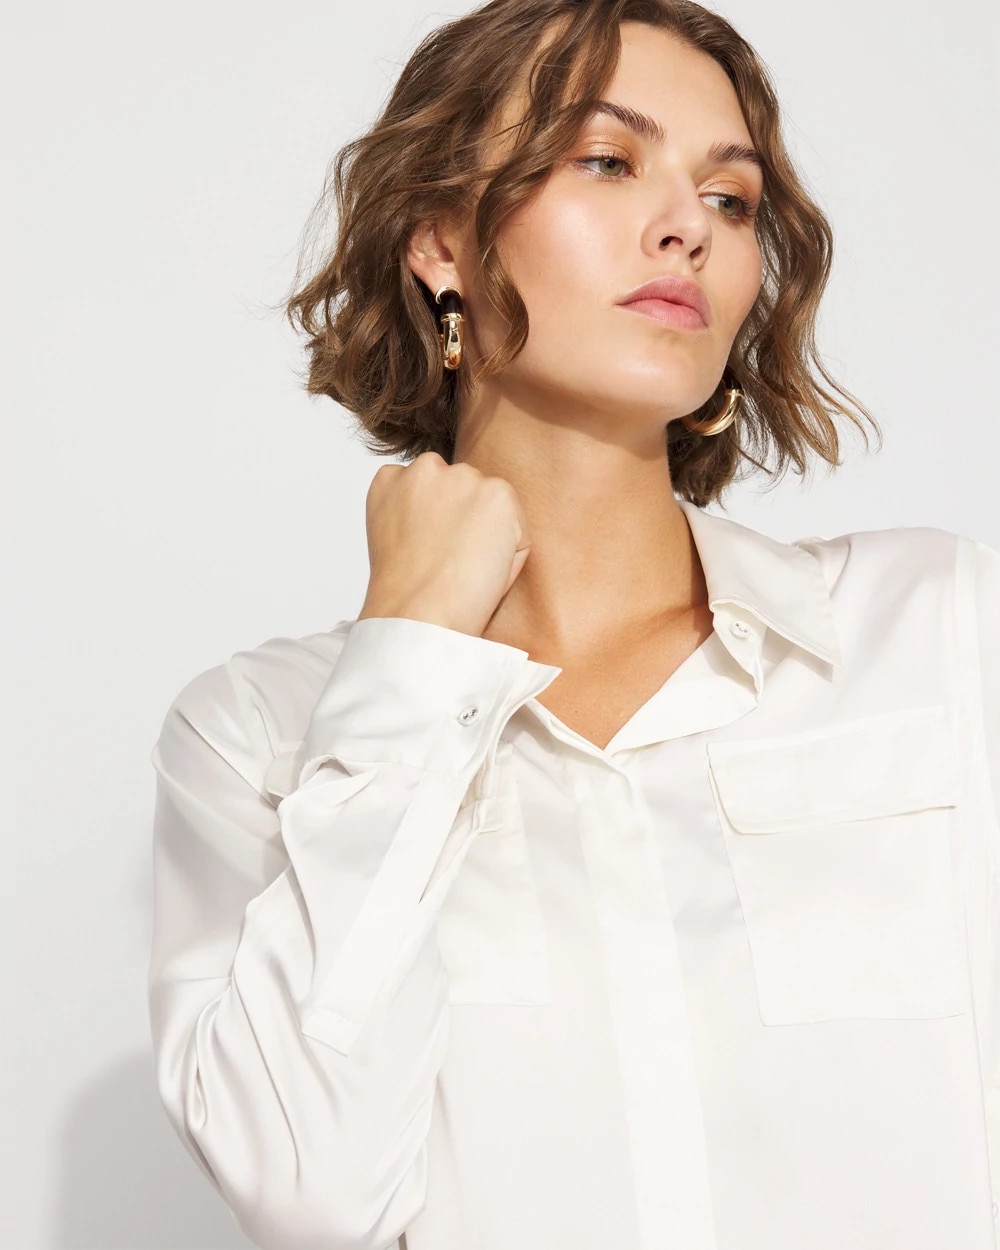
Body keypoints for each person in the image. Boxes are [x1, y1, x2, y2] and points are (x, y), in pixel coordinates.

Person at [147, 0, 1000, 1247]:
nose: (686, 225)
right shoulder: (256, 735)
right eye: (607, 160)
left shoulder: (940, 633)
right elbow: (308, 1196)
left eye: (730, 198)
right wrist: (411, 653)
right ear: (440, 237)